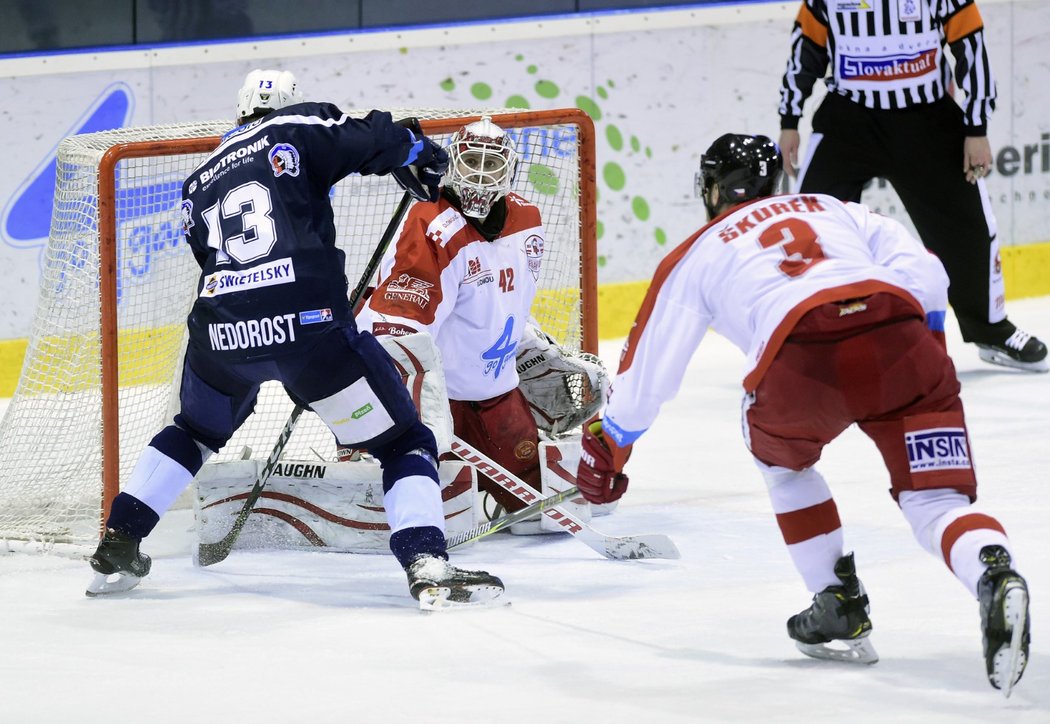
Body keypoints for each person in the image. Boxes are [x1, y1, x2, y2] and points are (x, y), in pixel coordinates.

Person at [575, 133, 1030, 693]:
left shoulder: (698, 250)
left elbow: (649, 372)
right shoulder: (835, 207)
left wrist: (612, 445)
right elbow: (929, 272)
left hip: (803, 358)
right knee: (935, 501)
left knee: (785, 466)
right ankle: (993, 569)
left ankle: (836, 599)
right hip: (900, 340)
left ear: (712, 190)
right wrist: (926, 353)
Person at [86, 69, 504, 609]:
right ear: (287, 104)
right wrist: (414, 147)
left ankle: (120, 541)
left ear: (240, 111)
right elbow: (369, 138)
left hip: (220, 336)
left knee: (192, 430)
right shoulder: (295, 128)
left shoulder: (197, 182)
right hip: (308, 334)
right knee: (403, 442)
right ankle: (427, 561)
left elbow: (214, 259)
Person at [356, 116, 606, 527]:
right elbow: (397, 330)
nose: (481, 174)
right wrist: (421, 408)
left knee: (540, 514)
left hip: (498, 397)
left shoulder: (528, 221)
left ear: (510, 171)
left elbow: (499, 304)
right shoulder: (431, 227)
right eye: (472, 161)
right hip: (441, 404)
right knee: (432, 512)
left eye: (492, 165)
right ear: (454, 163)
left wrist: (526, 345)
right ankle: (364, 452)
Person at [777, 0, 1047, 373]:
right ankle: (797, 335)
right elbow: (806, 49)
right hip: (849, 119)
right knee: (809, 226)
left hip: (927, 119)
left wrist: (976, 128)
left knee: (968, 226)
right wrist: (789, 119)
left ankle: (989, 329)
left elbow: (971, 47)